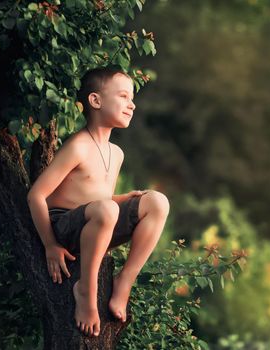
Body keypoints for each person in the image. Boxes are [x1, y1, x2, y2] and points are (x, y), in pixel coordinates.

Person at [26, 66, 170, 337]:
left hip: (98, 219)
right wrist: (50, 245)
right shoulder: (78, 146)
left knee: (157, 202)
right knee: (107, 209)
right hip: (64, 225)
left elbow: (98, 198)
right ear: (95, 101)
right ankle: (86, 292)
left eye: (132, 98)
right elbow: (36, 195)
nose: (132, 104)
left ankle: (124, 282)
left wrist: (121, 199)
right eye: (124, 96)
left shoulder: (116, 153)